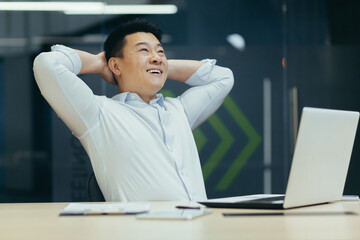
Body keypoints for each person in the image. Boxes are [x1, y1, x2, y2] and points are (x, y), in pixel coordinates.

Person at [33, 18, 234, 202]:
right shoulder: (98, 114)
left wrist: (158, 66)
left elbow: (223, 78)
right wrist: (98, 63)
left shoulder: (179, 110)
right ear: (115, 65)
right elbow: (46, 64)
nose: (156, 57)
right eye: (143, 50)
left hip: (199, 227)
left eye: (160, 51)